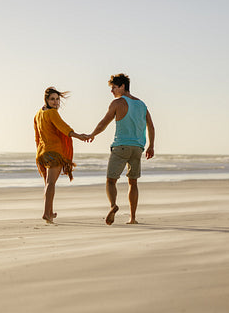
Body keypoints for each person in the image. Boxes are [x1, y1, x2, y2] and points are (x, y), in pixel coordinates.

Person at [88, 73, 155, 225]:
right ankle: (132, 218)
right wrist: (151, 146)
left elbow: (103, 123)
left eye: (114, 88)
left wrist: (92, 134)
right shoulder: (142, 104)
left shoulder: (117, 103)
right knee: (133, 182)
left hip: (121, 146)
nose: (112, 91)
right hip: (138, 148)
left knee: (111, 181)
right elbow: (150, 126)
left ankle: (113, 206)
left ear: (123, 86)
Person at [34, 87, 88, 224]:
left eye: (57, 99)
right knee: (51, 183)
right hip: (54, 152)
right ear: (46, 99)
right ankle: (46, 213)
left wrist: (39, 152)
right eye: (52, 99)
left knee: (48, 183)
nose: (55, 102)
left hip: (42, 153)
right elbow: (63, 127)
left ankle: (50, 212)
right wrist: (79, 136)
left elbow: (37, 136)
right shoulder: (52, 113)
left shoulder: (38, 114)